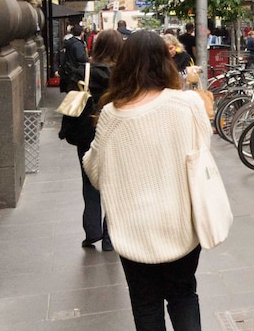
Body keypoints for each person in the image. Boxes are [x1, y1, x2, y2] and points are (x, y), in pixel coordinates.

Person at [83, 30, 209, 330]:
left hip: (133, 229)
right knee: (183, 295)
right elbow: (202, 150)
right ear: (165, 62)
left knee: (145, 303)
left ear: (125, 64)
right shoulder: (188, 104)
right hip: (182, 222)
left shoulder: (112, 114)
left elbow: (95, 173)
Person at [58, 29, 123, 252]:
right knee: (115, 183)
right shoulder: (123, 73)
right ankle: (109, 237)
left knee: (89, 180)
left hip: (87, 131)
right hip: (116, 132)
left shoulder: (83, 70)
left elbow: (69, 93)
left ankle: (92, 231)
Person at [59, 25, 88, 93]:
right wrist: (88, 60)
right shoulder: (78, 44)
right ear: (82, 33)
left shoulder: (69, 42)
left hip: (68, 71)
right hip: (75, 71)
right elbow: (81, 57)